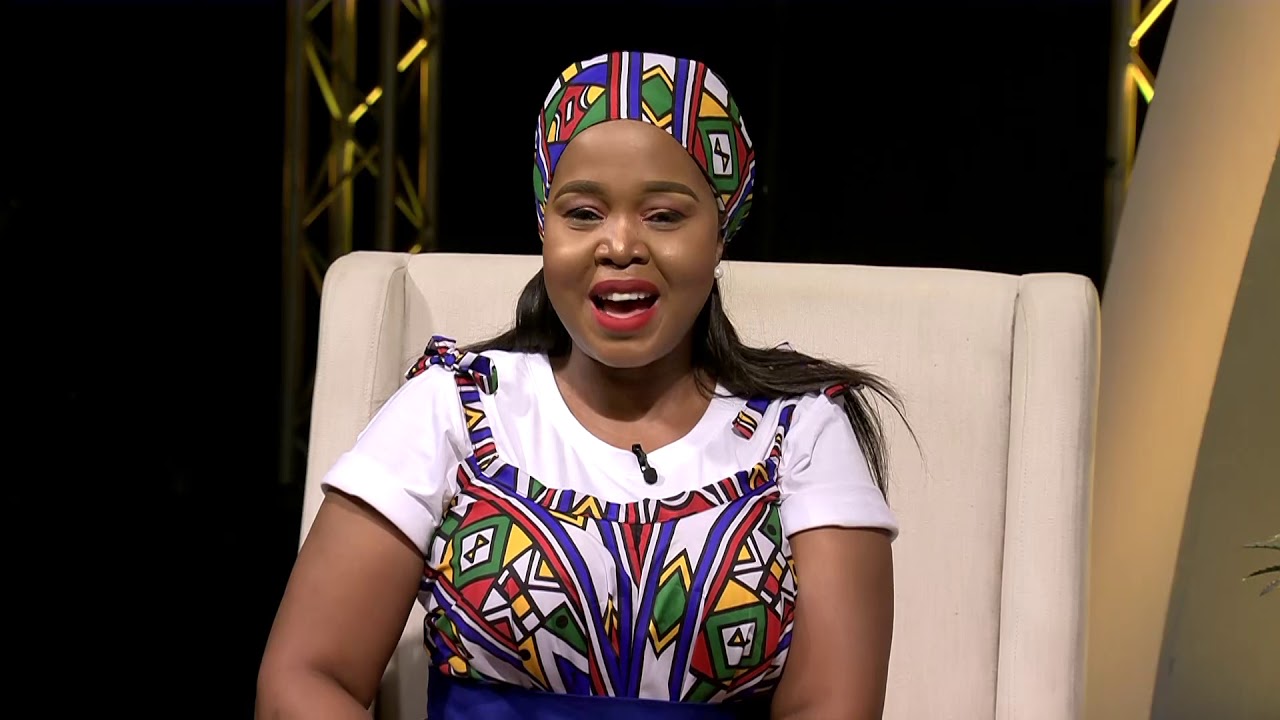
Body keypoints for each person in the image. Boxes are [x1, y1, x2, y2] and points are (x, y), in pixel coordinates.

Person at [257, 50, 900, 720]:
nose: (619, 245)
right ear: (545, 226)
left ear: (720, 234)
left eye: (664, 215)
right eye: (584, 213)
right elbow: (304, 678)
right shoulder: (451, 409)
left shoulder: (800, 433)